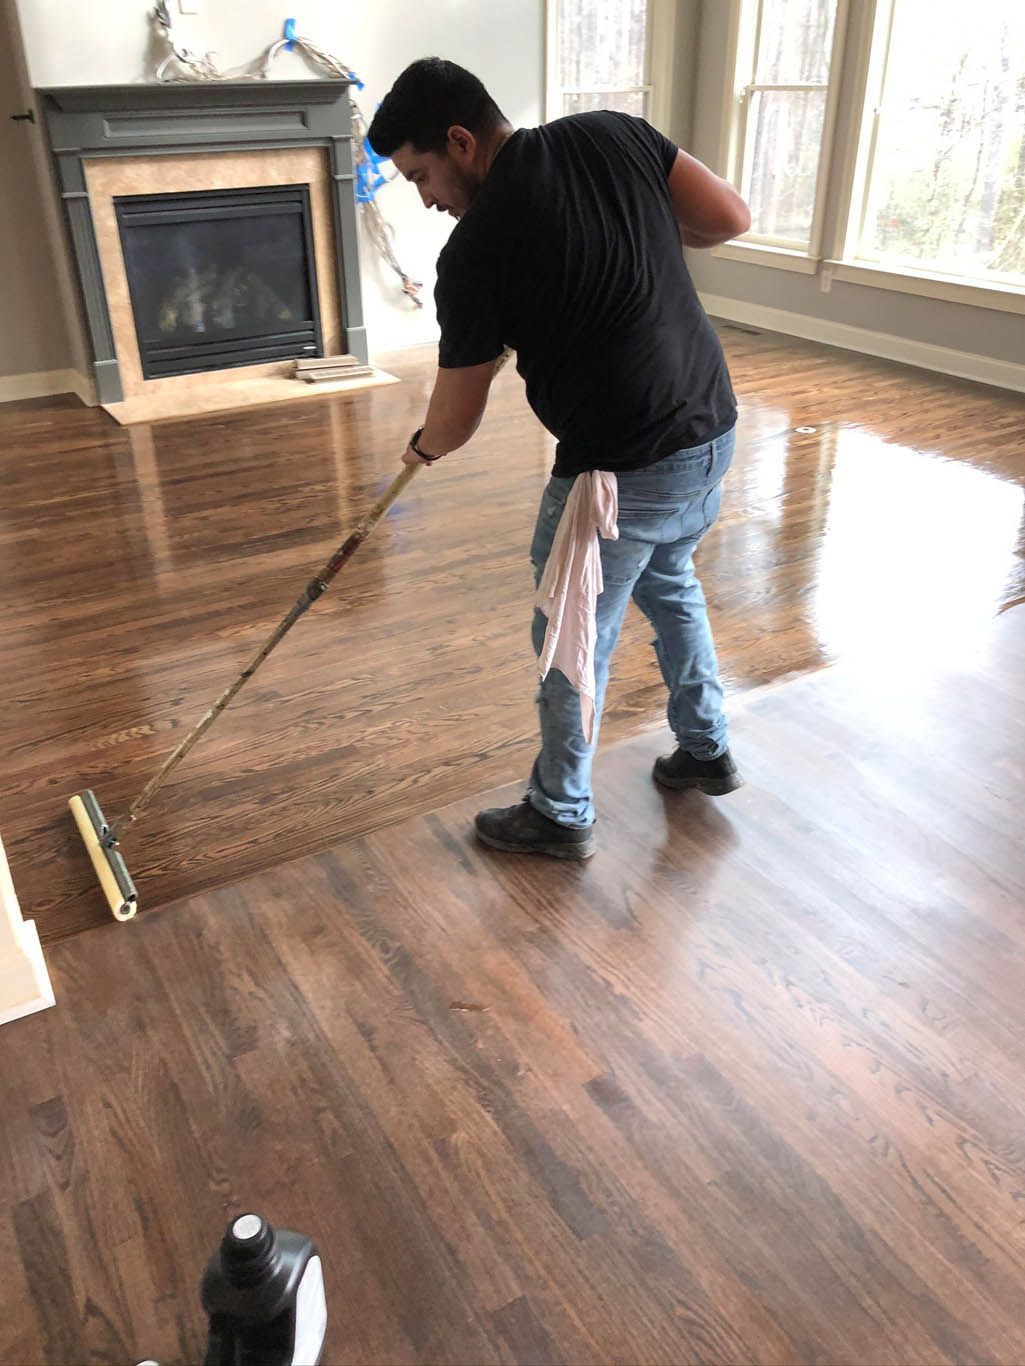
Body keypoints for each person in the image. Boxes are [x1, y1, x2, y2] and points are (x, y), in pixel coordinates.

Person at [368, 58, 750, 861]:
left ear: (461, 141)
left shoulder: (473, 255)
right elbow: (727, 219)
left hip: (616, 469)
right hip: (710, 430)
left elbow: (456, 417)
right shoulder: (612, 133)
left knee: (571, 637)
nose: (426, 198)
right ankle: (706, 747)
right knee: (669, 580)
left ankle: (559, 810)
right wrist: (624, 231)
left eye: (420, 174)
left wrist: (416, 451)